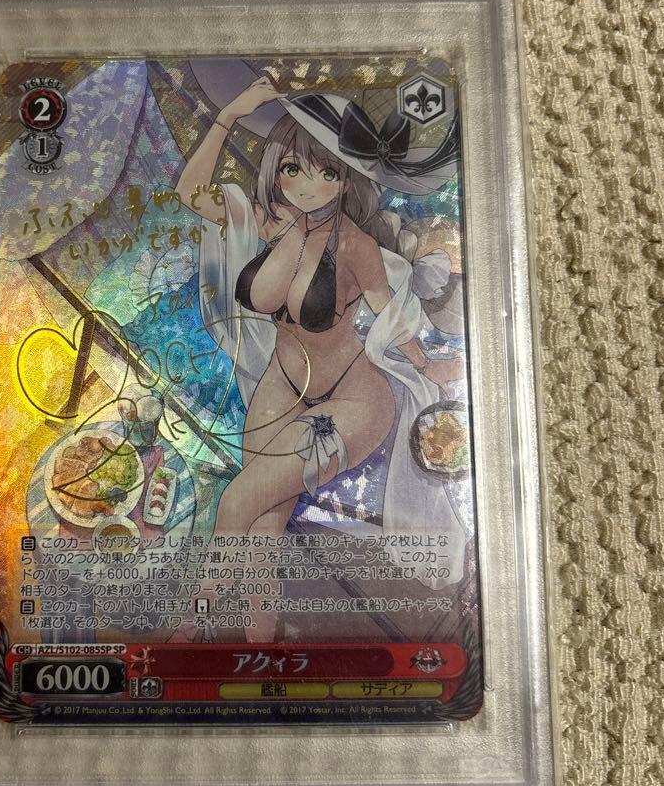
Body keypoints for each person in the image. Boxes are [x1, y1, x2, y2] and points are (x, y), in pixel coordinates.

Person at [173, 74, 465, 641]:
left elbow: (389, 315)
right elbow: (190, 192)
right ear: (276, 169)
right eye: (293, 168)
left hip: (354, 401)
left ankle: (193, 624)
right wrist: (231, 112)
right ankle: (261, 642)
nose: (308, 185)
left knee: (238, 501)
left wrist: (428, 366)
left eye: (327, 171)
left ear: (346, 177)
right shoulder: (269, 223)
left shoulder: (355, 246)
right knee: (264, 527)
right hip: (283, 384)